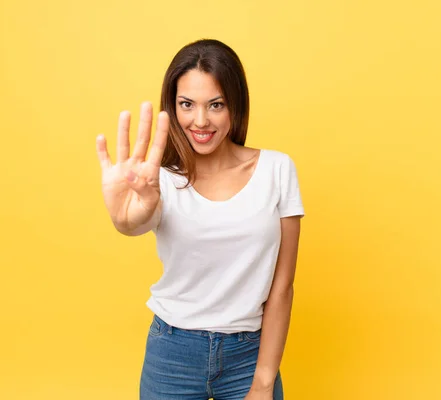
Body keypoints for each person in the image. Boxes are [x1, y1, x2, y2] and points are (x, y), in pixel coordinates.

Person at [95, 39, 304, 400]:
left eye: (216, 105)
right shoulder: (156, 179)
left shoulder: (277, 169)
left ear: (234, 105)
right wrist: (123, 218)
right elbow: (135, 222)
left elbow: (282, 287)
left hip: (250, 356)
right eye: (187, 105)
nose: (200, 121)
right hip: (172, 353)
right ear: (172, 106)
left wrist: (264, 380)